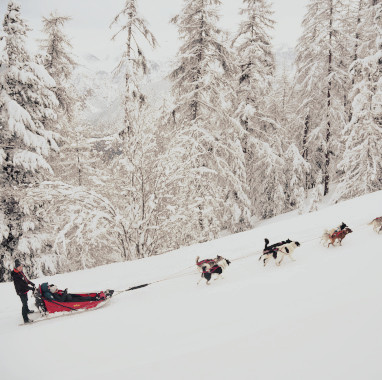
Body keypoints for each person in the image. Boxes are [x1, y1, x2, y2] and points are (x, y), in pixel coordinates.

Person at [11, 259, 35, 324]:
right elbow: (23, 285)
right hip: (21, 291)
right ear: (16, 267)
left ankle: (27, 310)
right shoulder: (16, 275)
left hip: (24, 290)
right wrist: (31, 288)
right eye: (19, 267)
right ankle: (25, 319)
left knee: (26, 300)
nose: (21, 268)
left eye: (21, 266)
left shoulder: (20, 272)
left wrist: (31, 283)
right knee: (24, 303)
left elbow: (25, 279)